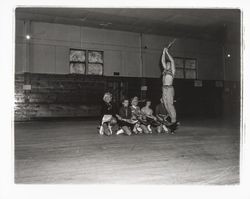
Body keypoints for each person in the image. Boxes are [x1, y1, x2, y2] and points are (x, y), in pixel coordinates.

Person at [161, 40, 179, 131]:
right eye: (167, 63)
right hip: (164, 88)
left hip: (169, 88)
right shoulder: (164, 70)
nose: (167, 63)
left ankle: (174, 120)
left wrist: (167, 52)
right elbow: (162, 60)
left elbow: (172, 60)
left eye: (168, 63)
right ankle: (172, 119)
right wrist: (163, 52)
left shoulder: (172, 71)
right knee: (165, 104)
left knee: (170, 105)